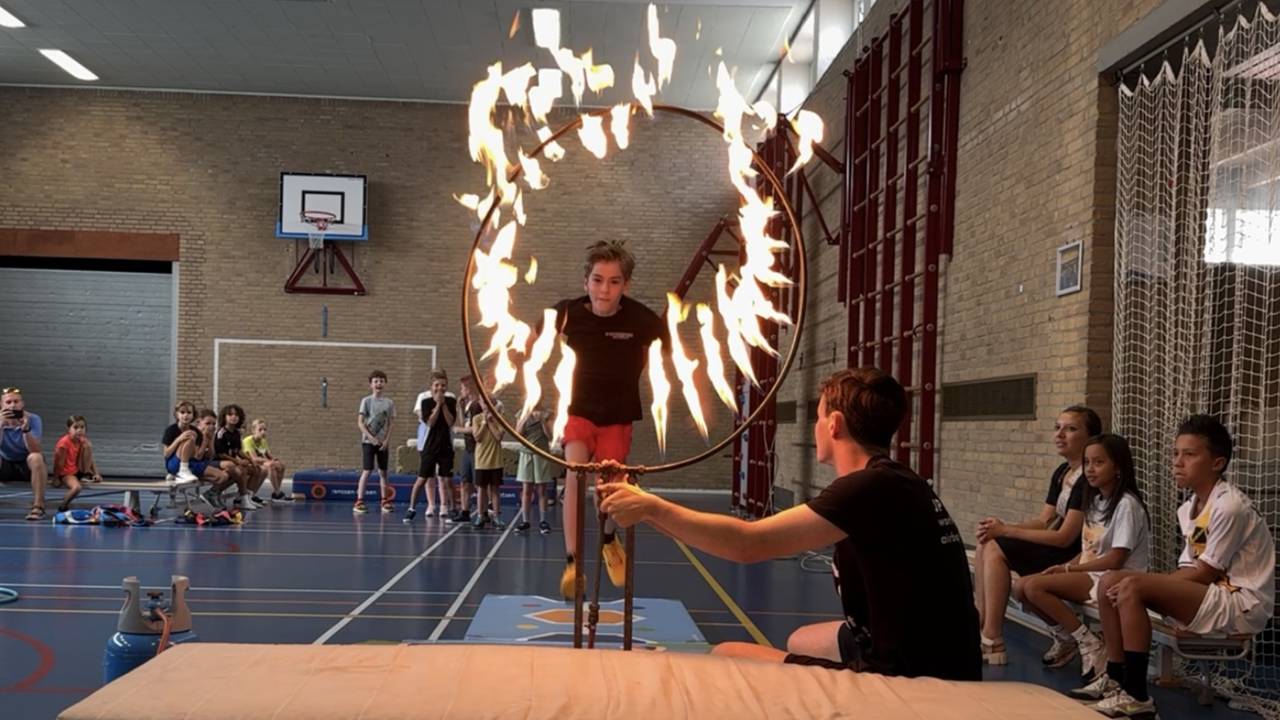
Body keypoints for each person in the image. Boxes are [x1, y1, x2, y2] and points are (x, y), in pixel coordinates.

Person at [599, 368, 981, 680]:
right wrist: (647, 507)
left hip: (909, 676)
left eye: (817, 417)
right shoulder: (892, 480)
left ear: (834, 424)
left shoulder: (867, 488)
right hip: (942, 655)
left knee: (727, 653)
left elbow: (748, 545)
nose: (815, 426)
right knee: (802, 639)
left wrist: (652, 508)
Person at [1083, 416, 1275, 717]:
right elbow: (1190, 566)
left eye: (1189, 454)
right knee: (1110, 581)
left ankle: (1137, 697)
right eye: (1175, 453)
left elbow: (1204, 573)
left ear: (1217, 462)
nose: (1177, 462)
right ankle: (1116, 679)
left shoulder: (1229, 506)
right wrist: (1160, 586)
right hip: (1209, 595)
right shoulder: (1188, 508)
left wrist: (1154, 586)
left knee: (1131, 585)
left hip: (1241, 603)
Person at [549, 240, 665, 598]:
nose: (605, 289)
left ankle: (609, 539)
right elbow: (529, 340)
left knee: (613, 486)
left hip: (618, 414)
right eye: (598, 280)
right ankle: (572, 561)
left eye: (614, 282)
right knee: (575, 473)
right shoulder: (567, 313)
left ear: (625, 285)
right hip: (578, 410)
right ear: (586, 282)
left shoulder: (643, 319)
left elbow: (669, 358)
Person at [973, 405, 1101, 665]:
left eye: (1071, 429)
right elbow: (1045, 520)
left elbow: (1065, 537)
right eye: (1057, 428)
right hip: (1057, 545)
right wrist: (1002, 526)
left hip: (1075, 554)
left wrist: (1006, 532)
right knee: (986, 541)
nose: (1060, 434)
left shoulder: (1087, 479)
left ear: (1090, 438)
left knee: (997, 547)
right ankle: (982, 624)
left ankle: (993, 636)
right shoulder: (1062, 472)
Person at [1019, 433, 1149, 683]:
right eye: (1087, 463)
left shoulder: (1126, 505)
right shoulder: (1097, 500)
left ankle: (1088, 642)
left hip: (1113, 578)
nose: (1090, 469)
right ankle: (1070, 637)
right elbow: (1089, 549)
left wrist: (1071, 572)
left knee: (1034, 587)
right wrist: (1066, 566)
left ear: (1118, 466)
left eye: (1099, 463)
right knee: (1020, 587)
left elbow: (1115, 559)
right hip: (1091, 574)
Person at [406, 371, 456, 522]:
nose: (439, 388)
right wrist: (437, 405)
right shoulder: (426, 401)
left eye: (443, 386)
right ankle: (412, 508)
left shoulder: (451, 400)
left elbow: (450, 422)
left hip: (446, 446)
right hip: (429, 446)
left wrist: (444, 405)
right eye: (436, 385)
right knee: (422, 479)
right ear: (431, 386)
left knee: (447, 479)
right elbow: (430, 422)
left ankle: (452, 508)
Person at [162, 404, 233, 508]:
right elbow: (166, 453)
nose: (186, 415)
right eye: (182, 412)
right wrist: (179, 439)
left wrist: (208, 440)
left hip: (192, 462)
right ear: (177, 415)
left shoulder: (197, 432)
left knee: (223, 476)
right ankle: (181, 471)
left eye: (189, 413)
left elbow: (198, 457)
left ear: (193, 415)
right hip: (174, 461)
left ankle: (207, 493)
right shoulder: (171, 430)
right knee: (190, 436)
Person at [0, 387, 48, 521]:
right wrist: (0, 425)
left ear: (22, 404)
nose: (13, 405)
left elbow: (35, 449)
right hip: (5, 464)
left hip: (26, 464)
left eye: (16, 401)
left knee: (37, 457)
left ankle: (38, 506)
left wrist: (26, 430)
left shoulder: (33, 419)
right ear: (1, 405)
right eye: (8, 402)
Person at [354, 370, 396, 514]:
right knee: (367, 470)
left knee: (383, 472)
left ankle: (384, 501)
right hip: (368, 442)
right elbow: (360, 423)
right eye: (376, 381)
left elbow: (391, 424)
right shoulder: (366, 401)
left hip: (383, 443)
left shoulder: (389, 403)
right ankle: (359, 501)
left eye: (381, 381)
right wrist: (370, 437)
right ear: (371, 384)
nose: (379, 384)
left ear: (385, 383)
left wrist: (386, 441)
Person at [515, 403, 553, 534]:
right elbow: (518, 433)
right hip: (526, 454)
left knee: (542, 489)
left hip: (541, 454)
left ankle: (543, 521)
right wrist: (526, 416)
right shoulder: (522, 412)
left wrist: (542, 420)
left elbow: (550, 436)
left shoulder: (547, 413)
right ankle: (526, 521)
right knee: (527, 489)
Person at [448, 375, 482, 524]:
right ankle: (465, 511)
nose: (460, 390)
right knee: (465, 481)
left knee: (478, 483)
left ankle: (483, 512)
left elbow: (475, 429)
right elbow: (464, 423)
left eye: (462, 388)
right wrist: (460, 409)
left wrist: (459, 430)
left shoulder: (477, 405)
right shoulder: (468, 405)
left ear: (469, 389)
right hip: (468, 448)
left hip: (477, 449)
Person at [216, 404, 263, 510]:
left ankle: (247, 498)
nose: (234, 417)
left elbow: (239, 451)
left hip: (233, 462)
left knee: (256, 469)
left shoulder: (236, 432)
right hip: (221, 462)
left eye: (236, 415)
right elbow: (220, 454)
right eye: (230, 414)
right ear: (224, 417)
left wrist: (250, 460)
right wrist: (238, 462)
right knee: (242, 470)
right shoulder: (221, 433)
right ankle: (243, 497)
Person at [52, 415, 104, 512]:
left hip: (79, 471)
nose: (79, 430)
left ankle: (87, 474)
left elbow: (91, 459)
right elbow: (59, 463)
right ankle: (63, 506)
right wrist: (55, 478)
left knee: (87, 445)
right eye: (75, 427)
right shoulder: (63, 443)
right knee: (77, 488)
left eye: (82, 427)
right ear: (69, 429)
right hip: (66, 473)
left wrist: (96, 473)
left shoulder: (83, 440)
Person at [470, 393, 505, 529]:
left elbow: (498, 437)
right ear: (480, 403)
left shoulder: (499, 419)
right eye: (484, 402)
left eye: (489, 402)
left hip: (495, 461)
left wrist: (490, 421)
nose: (486, 405)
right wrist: (485, 422)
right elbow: (477, 437)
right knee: (481, 490)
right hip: (481, 461)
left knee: (495, 490)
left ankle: (496, 517)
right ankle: (480, 516)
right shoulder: (476, 419)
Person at [242, 418, 290, 504]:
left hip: (260, 463)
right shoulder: (248, 441)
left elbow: (269, 455)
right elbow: (254, 458)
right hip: (249, 463)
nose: (263, 432)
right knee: (270, 466)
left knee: (280, 466)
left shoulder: (263, 441)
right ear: (253, 430)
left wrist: (276, 460)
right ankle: (278, 493)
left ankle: (276, 493)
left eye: (265, 430)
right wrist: (269, 461)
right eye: (260, 430)